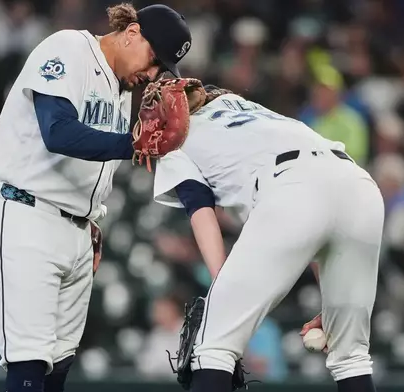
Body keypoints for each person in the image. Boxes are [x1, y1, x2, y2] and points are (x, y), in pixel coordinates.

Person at [0, 4, 192, 392]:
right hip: (25, 214)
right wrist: (133, 144)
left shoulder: (122, 87)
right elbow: (57, 132)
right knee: (29, 365)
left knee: (57, 370)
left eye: (162, 69)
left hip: (74, 230)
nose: (152, 74)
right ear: (131, 32)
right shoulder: (67, 48)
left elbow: (94, 166)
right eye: (154, 59)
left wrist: (90, 219)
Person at [153, 84, 384, 392]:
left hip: (292, 186)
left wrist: (223, 291)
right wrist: (331, 302)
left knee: (212, 347)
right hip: (358, 185)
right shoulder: (249, 109)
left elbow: (201, 212)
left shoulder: (176, 138)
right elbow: (322, 206)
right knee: (351, 355)